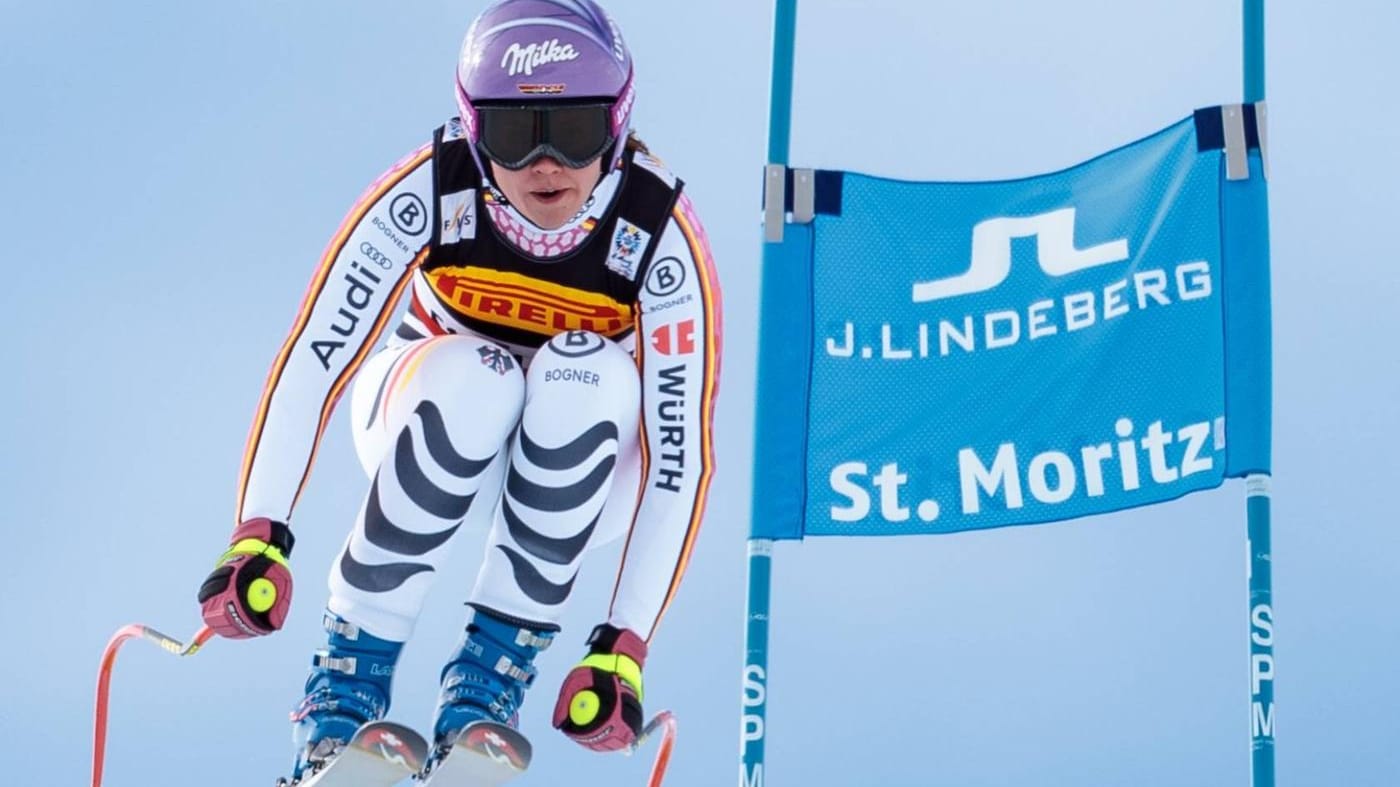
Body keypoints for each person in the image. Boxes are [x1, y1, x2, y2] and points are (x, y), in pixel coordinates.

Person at [193, 0, 721, 780]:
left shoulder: (657, 232)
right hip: (425, 414)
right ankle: (343, 696)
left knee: (593, 370)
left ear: (618, 122)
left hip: (575, 472)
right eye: (515, 133)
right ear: (474, 130)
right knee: (483, 372)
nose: (546, 164)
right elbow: (318, 354)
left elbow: (679, 458)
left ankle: (486, 693)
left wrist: (623, 643)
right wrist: (259, 531)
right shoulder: (434, 188)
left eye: (573, 132)